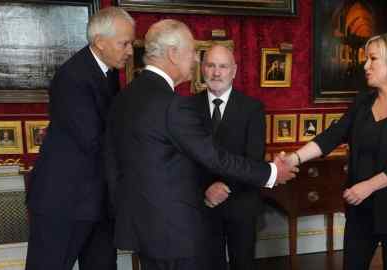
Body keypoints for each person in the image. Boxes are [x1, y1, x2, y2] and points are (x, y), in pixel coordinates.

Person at [105, 19, 297, 270]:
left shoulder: (125, 97)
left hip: (142, 226)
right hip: (173, 232)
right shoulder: (171, 104)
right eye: (192, 53)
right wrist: (271, 172)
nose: (195, 60)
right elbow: (214, 156)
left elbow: (111, 161)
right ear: (173, 54)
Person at [283, 33, 387, 270]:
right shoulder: (362, 102)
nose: (366, 65)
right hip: (361, 210)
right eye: (366, 59)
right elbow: (331, 136)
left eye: (373, 59)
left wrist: (368, 186)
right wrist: (293, 158)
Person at [25, 7, 135, 270]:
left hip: (95, 200)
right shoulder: (72, 77)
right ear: (99, 42)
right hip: (64, 201)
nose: (130, 51)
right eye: (125, 43)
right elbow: (95, 139)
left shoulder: (107, 72)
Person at [194, 44, 265, 270]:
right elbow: (183, 159)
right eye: (211, 66)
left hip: (241, 204)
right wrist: (206, 189)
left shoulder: (253, 109)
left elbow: (253, 159)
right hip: (202, 204)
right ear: (202, 69)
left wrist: (222, 186)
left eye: (223, 67)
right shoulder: (186, 108)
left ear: (233, 71)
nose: (216, 73)